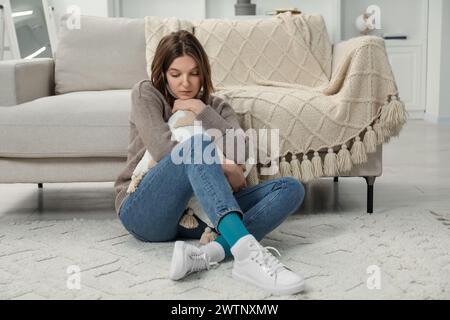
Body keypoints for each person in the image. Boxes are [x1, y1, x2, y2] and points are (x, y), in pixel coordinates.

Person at [114, 30, 306, 295]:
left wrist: (200, 110)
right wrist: (226, 168)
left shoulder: (217, 106)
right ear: (162, 73)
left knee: (290, 188)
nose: (185, 83)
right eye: (175, 74)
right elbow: (163, 150)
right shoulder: (147, 93)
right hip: (146, 211)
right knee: (197, 147)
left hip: (201, 218)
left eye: (194, 73)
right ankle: (247, 255)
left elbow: (239, 150)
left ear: (203, 73)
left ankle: (209, 254)